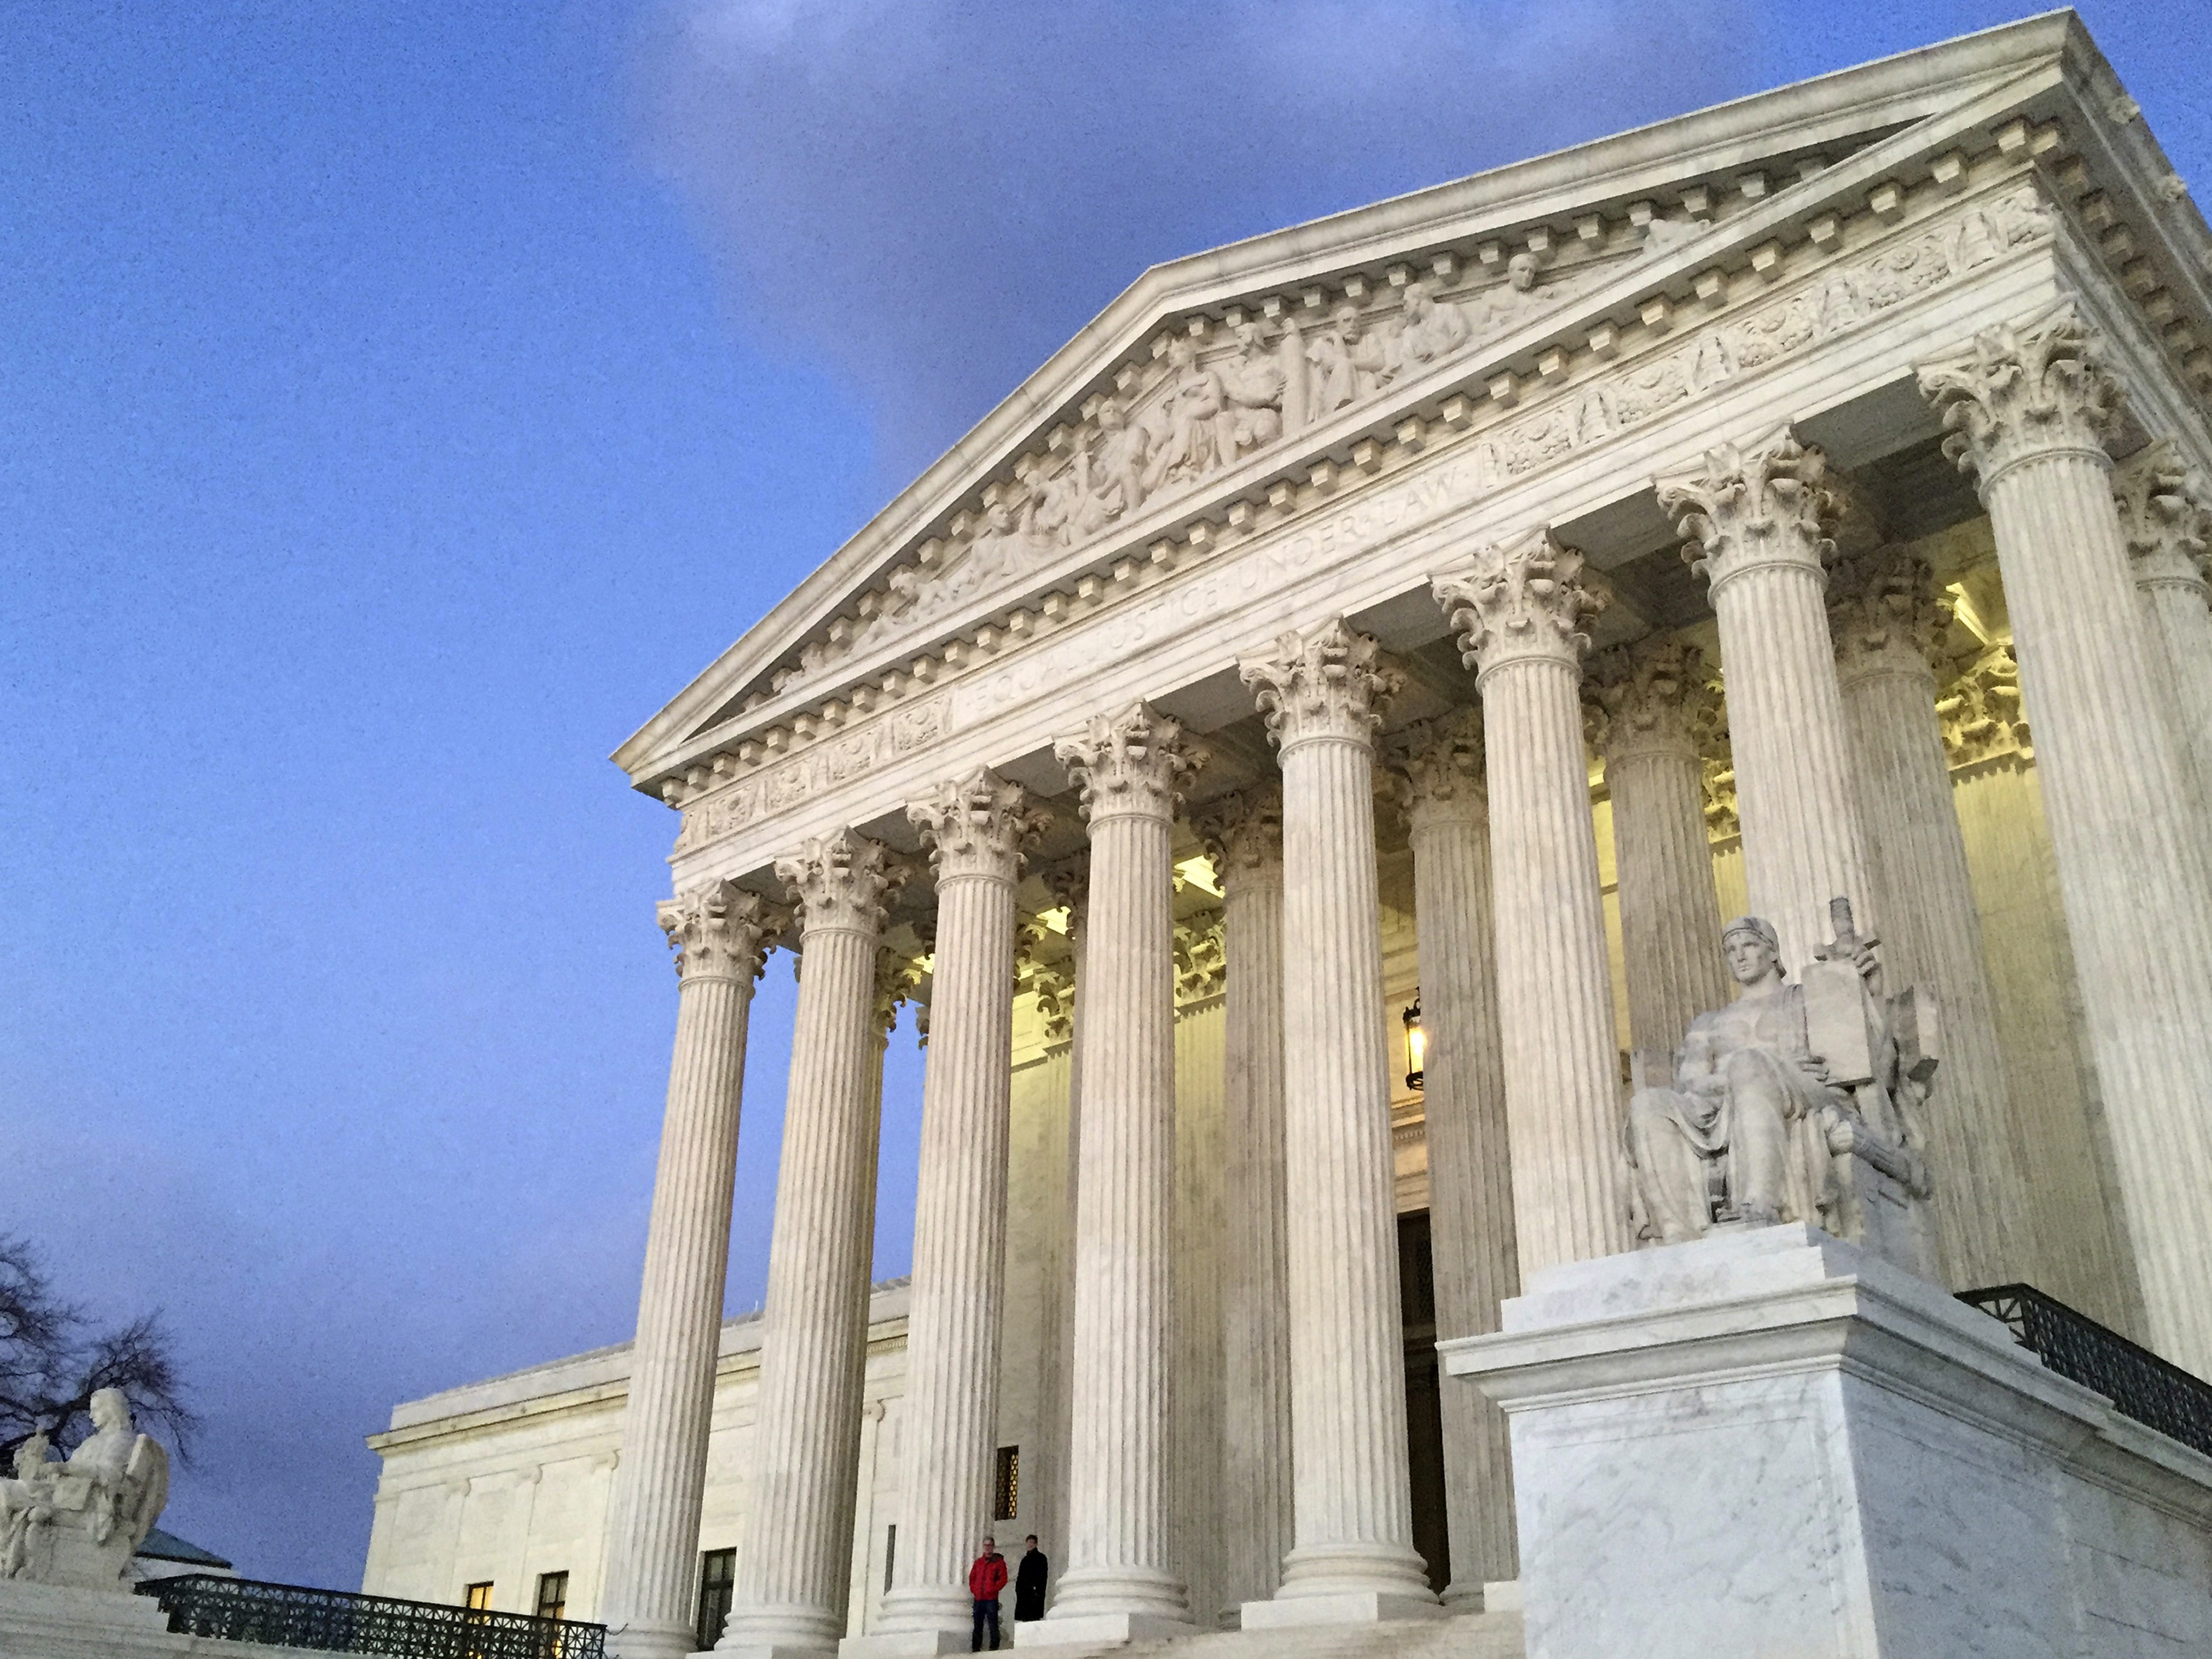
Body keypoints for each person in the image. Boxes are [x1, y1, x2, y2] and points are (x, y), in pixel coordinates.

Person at [968, 1536, 1008, 1652]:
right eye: (986, 1545)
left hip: (991, 1598)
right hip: (979, 1598)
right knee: (978, 1625)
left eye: (990, 1545)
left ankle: (994, 1647)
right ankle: (976, 1648)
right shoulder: (978, 1563)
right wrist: (974, 1590)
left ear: (993, 1547)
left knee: (993, 1624)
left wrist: (993, 1589)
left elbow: (1003, 1579)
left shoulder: (999, 1562)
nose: (987, 1548)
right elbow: (972, 1578)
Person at [1013, 1535, 1048, 1623]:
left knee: (1033, 1616)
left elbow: (1042, 1576)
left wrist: (1037, 1588)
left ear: (1036, 1544)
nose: (1030, 1545)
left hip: (1034, 1592)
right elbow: (1020, 1576)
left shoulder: (1041, 1558)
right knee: (1025, 1617)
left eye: (1032, 1542)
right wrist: (1018, 1589)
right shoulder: (1025, 1560)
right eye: (1029, 1542)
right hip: (1024, 1593)